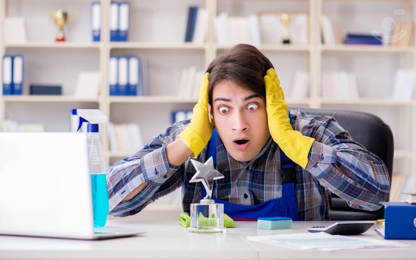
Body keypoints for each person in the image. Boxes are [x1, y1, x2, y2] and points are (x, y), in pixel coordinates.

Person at [107, 44, 390, 221]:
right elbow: (106, 203)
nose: (239, 124)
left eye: (252, 106)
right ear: (210, 112)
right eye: (225, 109)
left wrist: (294, 143)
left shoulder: (310, 131)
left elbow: (376, 194)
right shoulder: (193, 137)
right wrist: (183, 146)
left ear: (273, 105)